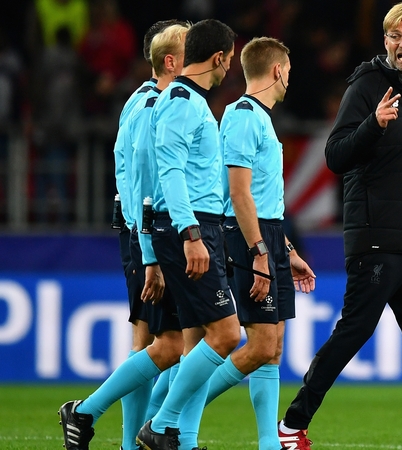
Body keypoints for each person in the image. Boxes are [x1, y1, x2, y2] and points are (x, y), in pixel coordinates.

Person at [277, 3, 402, 450]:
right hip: (376, 238)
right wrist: (374, 126)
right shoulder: (366, 85)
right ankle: (292, 424)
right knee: (354, 331)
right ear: (385, 41)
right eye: (396, 36)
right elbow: (335, 156)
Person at [58, 22, 188, 450]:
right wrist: (147, 245)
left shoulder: (142, 100)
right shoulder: (152, 106)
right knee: (164, 343)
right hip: (148, 233)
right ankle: (96, 418)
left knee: (153, 341)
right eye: (191, 49)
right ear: (170, 60)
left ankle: (133, 441)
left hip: (141, 231)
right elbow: (140, 181)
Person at [203, 36, 316, 450]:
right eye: (289, 70)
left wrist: (285, 249)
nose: (290, 78)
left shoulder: (261, 118)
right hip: (247, 238)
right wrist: (260, 253)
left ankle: (269, 443)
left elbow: (264, 201)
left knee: (274, 347)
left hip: (268, 233)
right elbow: (239, 195)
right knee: (261, 344)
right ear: (277, 70)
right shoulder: (244, 115)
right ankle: (172, 414)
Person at [134, 19, 238, 450]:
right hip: (188, 228)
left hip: (196, 225)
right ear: (218, 58)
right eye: (229, 61)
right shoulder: (181, 100)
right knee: (228, 335)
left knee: (195, 340)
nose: (228, 69)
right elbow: (170, 172)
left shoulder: (188, 100)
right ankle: (160, 424)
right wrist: (191, 233)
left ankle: (180, 436)